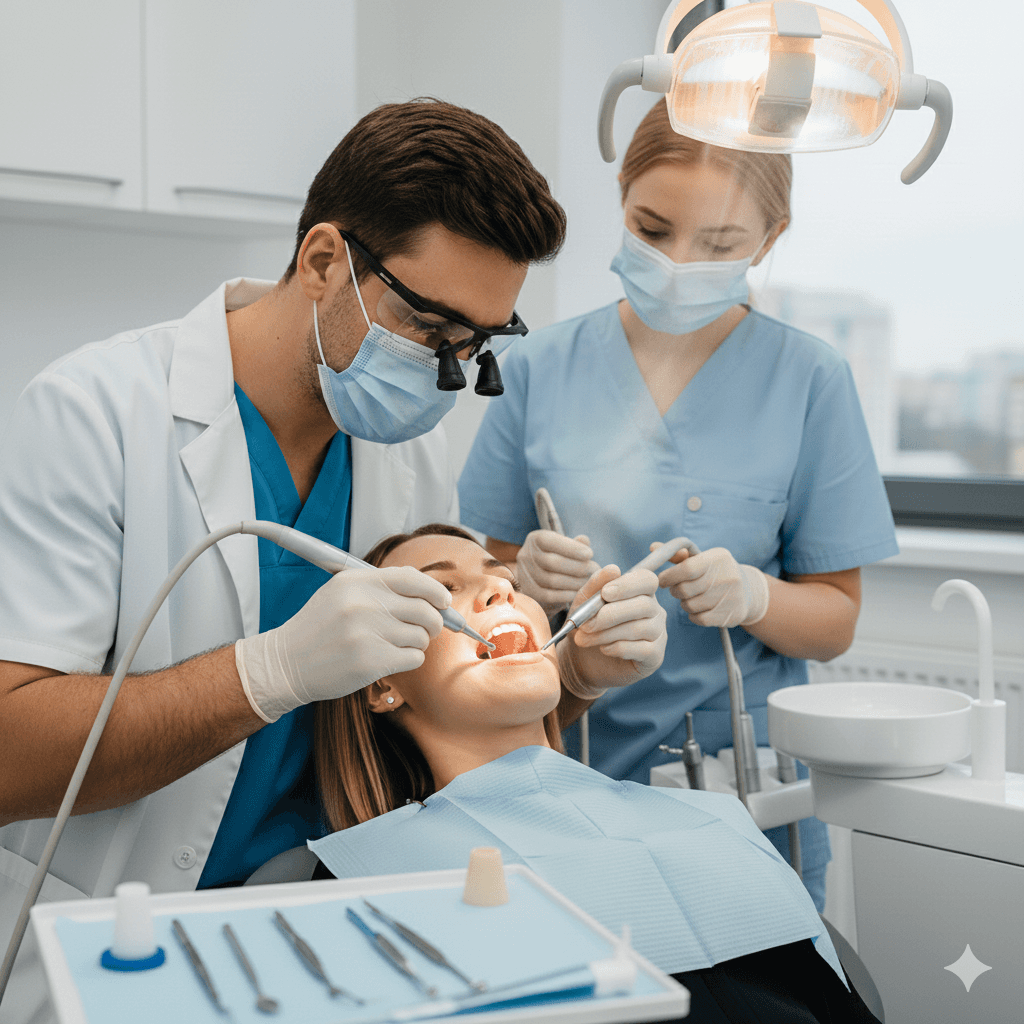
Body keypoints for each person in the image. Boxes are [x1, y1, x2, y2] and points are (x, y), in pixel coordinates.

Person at [0, 100, 568, 1022]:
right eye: (428, 330)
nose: (444, 376)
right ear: (322, 263)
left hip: (319, 927)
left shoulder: (407, 449)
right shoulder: (91, 415)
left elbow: (423, 703)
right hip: (112, 934)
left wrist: (573, 665)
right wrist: (267, 673)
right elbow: (8, 754)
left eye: (475, 346)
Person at [457, 98, 900, 911]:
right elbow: (479, 578)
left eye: (720, 243)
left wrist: (756, 597)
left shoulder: (810, 380)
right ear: (621, 201)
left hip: (736, 780)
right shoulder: (538, 366)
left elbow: (835, 620)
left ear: (770, 238)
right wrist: (524, 574)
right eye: (651, 228)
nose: (677, 260)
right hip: (567, 760)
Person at [309, 525, 881, 1024]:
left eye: (502, 576)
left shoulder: (712, 819)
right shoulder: (367, 877)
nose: (500, 589)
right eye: (443, 589)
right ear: (381, 681)